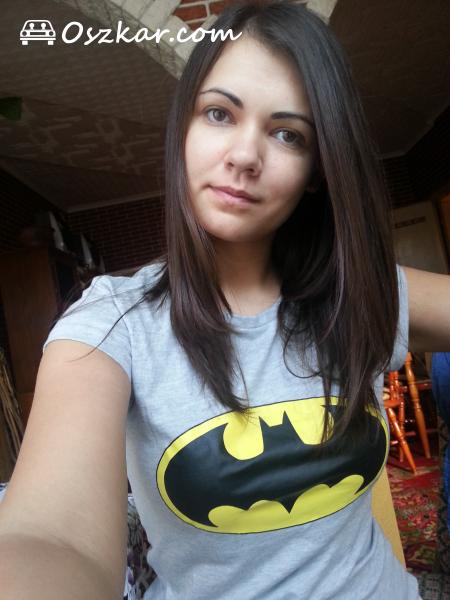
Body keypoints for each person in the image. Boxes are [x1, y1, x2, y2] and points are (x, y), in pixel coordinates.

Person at [0, 1, 449, 599]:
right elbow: (52, 537)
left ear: (317, 171)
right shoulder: (114, 324)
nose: (243, 156)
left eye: (288, 134)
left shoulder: (359, 293)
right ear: (183, 131)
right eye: (219, 113)